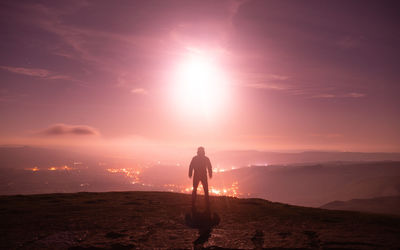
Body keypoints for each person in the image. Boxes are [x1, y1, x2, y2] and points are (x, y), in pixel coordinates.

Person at [189, 146, 212, 213]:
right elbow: (209, 167)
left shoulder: (195, 158)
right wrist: (210, 174)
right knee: (205, 190)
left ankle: (193, 204)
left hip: (197, 175)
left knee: (195, 189)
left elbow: (191, 166)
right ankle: (207, 204)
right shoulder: (206, 158)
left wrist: (190, 173)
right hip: (203, 175)